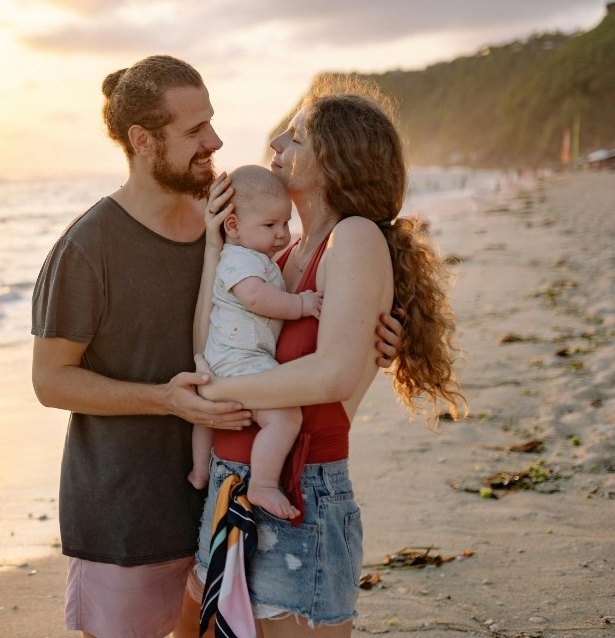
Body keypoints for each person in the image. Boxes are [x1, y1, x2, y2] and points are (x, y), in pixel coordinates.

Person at [31, 57, 405, 638]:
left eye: (212, 122)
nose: (218, 141)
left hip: (225, 493)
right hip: (131, 508)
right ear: (143, 141)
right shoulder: (88, 247)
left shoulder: (242, 225)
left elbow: (309, 342)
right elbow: (50, 381)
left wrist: (371, 344)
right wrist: (171, 399)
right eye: (194, 130)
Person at [178, 80, 468, 637]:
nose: (281, 137)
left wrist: (209, 394)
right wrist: (216, 250)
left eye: (300, 132)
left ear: (334, 159)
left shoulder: (354, 238)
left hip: (299, 490)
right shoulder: (279, 254)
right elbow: (211, 343)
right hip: (232, 480)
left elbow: (332, 374)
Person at [189, 165, 320, 523]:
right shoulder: (239, 260)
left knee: (205, 416)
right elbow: (257, 298)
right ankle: (262, 483)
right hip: (242, 360)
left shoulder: (253, 257)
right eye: (269, 225)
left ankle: (200, 470)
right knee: (285, 417)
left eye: (285, 223)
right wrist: (301, 304)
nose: (282, 234)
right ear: (232, 226)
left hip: (224, 359)